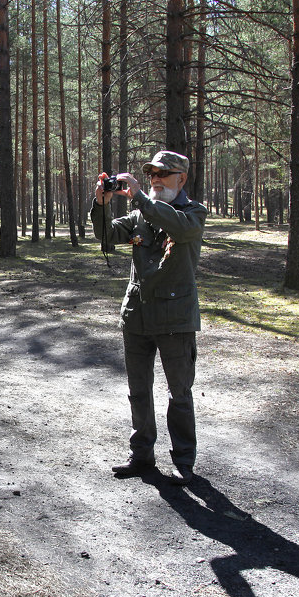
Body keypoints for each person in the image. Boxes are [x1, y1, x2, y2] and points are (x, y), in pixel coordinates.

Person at [91, 150, 207, 485]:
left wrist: (140, 196)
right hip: (138, 316)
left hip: (175, 320)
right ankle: (141, 454)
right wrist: (101, 203)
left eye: (162, 174)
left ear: (181, 179)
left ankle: (183, 462)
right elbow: (106, 234)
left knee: (179, 394)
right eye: (151, 175)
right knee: (138, 390)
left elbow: (180, 229)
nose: (155, 180)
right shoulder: (140, 214)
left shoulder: (193, 212)